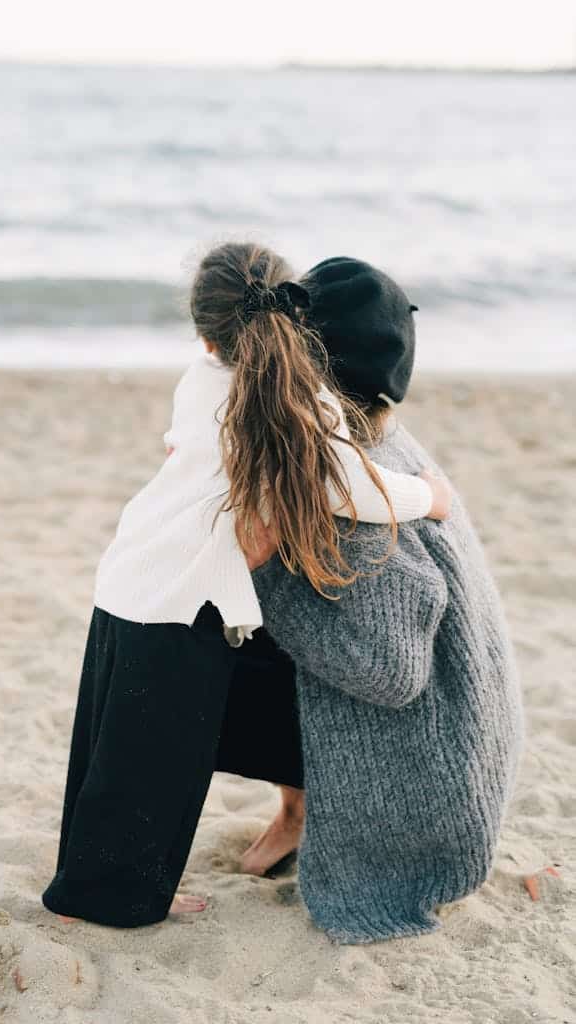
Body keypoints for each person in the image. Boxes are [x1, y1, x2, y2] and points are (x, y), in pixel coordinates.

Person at [41, 242, 452, 928]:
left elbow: (183, 445)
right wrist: (430, 498)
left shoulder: (200, 375)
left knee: (110, 748)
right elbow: (349, 488)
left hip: (130, 570)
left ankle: (88, 880)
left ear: (205, 331)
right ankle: (114, 898)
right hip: (186, 599)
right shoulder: (298, 393)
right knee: (161, 767)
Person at [246, 256, 526, 942]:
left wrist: (262, 580)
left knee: (213, 632)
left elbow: (386, 669)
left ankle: (299, 815)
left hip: (438, 789)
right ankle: (298, 811)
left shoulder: (360, 498)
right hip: (474, 746)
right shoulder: (385, 440)